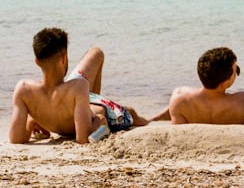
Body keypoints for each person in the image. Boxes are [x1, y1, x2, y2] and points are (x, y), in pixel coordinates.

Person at [9, 27, 152, 144]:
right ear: (64, 57)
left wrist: (29, 127)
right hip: (84, 104)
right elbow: (83, 139)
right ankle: (153, 121)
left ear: (36, 61)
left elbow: (15, 139)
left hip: (68, 98)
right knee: (131, 114)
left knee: (96, 53)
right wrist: (99, 126)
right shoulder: (78, 86)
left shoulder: (24, 90)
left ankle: (87, 104)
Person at [166, 47, 244, 125]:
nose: (236, 73)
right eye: (235, 71)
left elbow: (178, 133)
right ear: (223, 83)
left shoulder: (179, 99)